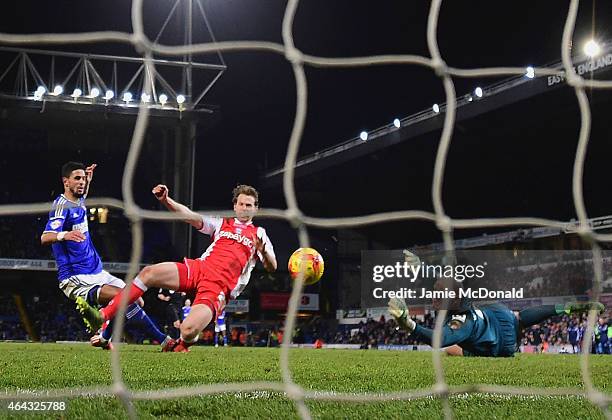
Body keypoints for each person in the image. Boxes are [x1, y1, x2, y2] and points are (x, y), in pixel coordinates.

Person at [77, 183, 277, 352]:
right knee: (148, 273)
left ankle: (183, 344)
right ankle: (102, 315)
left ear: (255, 209)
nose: (244, 208)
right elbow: (190, 216)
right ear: (235, 206)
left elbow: (272, 267)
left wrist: (264, 251)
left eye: (249, 205)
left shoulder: (259, 234)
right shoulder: (221, 224)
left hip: (218, 288)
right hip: (199, 269)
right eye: (241, 204)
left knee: (188, 330)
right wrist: (166, 200)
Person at [41, 162, 173, 351]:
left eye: (83, 178)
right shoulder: (61, 207)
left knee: (137, 300)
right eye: (77, 178)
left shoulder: (77, 199)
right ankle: (164, 340)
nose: (81, 182)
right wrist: (65, 235)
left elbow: (82, 194)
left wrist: (88, 181)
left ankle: (104, 337)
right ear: (65, 182)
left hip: (96, 271)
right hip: (76, 277)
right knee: (124, 298)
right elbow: (45, 237)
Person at [388, 277, 604, 357]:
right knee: (519, 318)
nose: (433, 296)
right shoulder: (461, 306)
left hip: (501, 345)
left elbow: (439, 340)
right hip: (498, 314)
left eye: (438, 292)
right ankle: (564, 308)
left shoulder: (462, 319)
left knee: (451, 351)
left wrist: (409, 325)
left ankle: (565, 308)